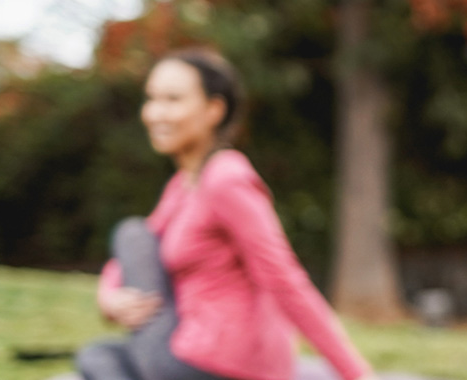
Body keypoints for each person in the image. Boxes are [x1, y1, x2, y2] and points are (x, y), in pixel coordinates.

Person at [75, 47, 376, 380]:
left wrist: (357, 375)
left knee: (129, 237)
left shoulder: (226, 179)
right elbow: (136, 249)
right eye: (151, 99)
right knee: (99, 355)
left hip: (220, 364)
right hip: (196, 354)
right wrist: (109, 299)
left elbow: (284, 278)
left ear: (214, 109)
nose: (155, 113)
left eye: (172, 100)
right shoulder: (184, 185)